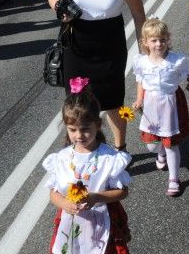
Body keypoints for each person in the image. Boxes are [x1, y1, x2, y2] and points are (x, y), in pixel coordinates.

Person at [46, 0, 147, 150]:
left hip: (110, 44)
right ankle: (80, 151)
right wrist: (59, 6)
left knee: (112, 101)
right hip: (76, 43)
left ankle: (120, 148)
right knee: (77, 103)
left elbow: (139, 15)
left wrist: (145, 54)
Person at [43, 80, 131, 254]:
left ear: (97, 125)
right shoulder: (62, 159)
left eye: (85, 129)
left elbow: (123, 191)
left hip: (102, 219)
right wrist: (64, 203)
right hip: (71, 221)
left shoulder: (109, 158)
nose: (79, 135)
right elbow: (53, 192)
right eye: (72, 130)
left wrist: (96, 197)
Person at [132, 19, 189, 197]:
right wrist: (139, 99)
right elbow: (140, 81)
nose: (158, 44)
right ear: (145, 42)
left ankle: (174, 179)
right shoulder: (142, 62)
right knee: (152, 145)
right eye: (153, 40)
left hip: (171, 103)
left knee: (171, 144)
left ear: (168, 39)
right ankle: (159, 153)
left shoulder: (176, 60)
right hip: (151, 105)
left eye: (162, 39)